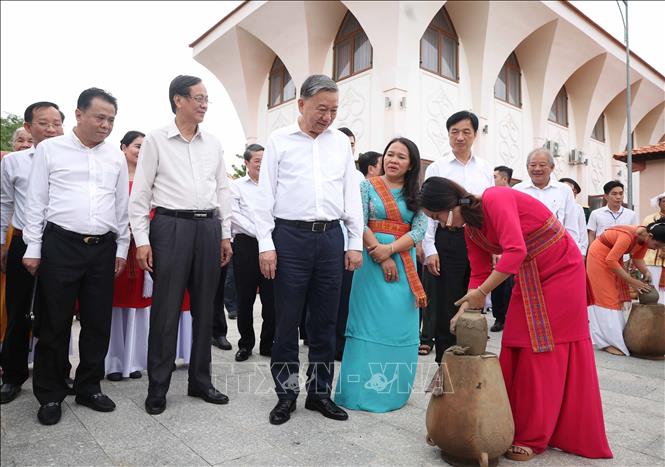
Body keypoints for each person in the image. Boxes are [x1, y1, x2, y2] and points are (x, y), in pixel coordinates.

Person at [420, 177, 613, 462]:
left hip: (561, 270)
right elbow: (478, 272)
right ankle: (506, 421)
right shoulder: (471, 230)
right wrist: (464, 308)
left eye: (438, 216)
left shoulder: (495, 199)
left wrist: (482, 292)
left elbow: (515, 250)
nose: (443, 224)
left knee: (543, 352)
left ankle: (533, 436)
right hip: (530, 277)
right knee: (514, 343)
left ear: (450, 204)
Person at [254, 74, 363, 426]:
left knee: (326, 321)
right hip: (290, 238)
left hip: (331, 239)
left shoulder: (339, 144)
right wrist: (266, 245)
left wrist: (354, 242)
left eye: (333, 110)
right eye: (321, 109)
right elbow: (264, 197)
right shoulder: (279, 141)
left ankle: (320, 394)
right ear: (301, 105)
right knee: (287, 321)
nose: (327, 116)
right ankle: (286, 395)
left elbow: (350, 197)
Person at [22, 88, 130, 425]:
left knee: (98, 322)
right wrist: (34, 246)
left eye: (111, 119)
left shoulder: (114, 156)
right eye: (100, 117)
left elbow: (120, 205)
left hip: (103, 248)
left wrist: (122, 246)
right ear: (79, 114)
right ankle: (50, 393)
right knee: (54, 321)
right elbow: (36, 201)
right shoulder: (51, 150)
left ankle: (89, 387)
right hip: (60, 245)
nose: (106, 125)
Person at [129, 75, 232, 415]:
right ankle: (158, 387)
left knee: (204, 308)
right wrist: (142, 240)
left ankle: (200, 381)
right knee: (166, 310)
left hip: (208, 228)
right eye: (198, 98)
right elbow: (141, 194)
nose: (204, 104)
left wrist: (224, 233)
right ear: (178, 100)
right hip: (170, 227)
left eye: (206, 99)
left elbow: (223, 190)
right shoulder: (156, 140)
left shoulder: (213, 143)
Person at [335, 137, 427, 412]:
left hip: (403, 262)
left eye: (401, 156)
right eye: (390, 154)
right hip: (370, 265)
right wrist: (378, 251)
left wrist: (390, 250)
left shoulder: (417, 195)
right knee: (367, 323)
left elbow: (419, 230)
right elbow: (358, 221)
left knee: (398, 326)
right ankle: (356, 392)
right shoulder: (367, 186)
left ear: (411, 165)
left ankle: (391, 392)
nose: (393, 160)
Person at [0, 101, 67, 404]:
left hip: (60, 244)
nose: (52, 129)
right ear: (28, 127)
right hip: (23, 241)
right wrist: (3, 243)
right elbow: (4, 204)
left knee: (57, 313)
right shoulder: (13, 162)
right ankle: (13, 375)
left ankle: (58, 372)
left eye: (57, 123)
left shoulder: (71, 160)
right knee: (17, 310)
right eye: (44, 123)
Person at [422, 110, 493, 363]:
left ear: (475, 135)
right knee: (447, 304)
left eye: (466, 132)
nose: (460, 137)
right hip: (448, 241)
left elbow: (489, 209)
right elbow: (429, 208)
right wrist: (430, 248)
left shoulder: (485, 169)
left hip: (478, 240)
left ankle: (470, 363)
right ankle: (445, 365)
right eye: (454, 132)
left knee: (474, 298)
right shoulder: (437, 168)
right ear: (448, 134)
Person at [104, 131, 151, 381]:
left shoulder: (151, 179)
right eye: (136, 146)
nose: (141, 151)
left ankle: (134, 361)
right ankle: (113, 362)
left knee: (138, 306)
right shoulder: (114, 174)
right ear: (123, 147)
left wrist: (143, 231)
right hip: (118, 249)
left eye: (145, 147)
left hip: (143, 251)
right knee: (114, 305)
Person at [587, 222, 665, 355]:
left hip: (611, 259)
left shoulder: (644, 239)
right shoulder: (627, 236)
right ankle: (606, 342)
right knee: (606, 298)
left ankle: (615, 339)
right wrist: (633, 282)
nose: (655, 249)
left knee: (615, 298)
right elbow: (611, 260)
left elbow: (638, 259)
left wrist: (646, 272)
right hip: (599, 257)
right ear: (650, 236)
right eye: (656, 245)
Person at [231, 143, 275, 362]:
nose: (261, 165)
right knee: (245, 297)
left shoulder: (276, 185)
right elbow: (234, 216)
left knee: (271, 297)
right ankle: (245, 344)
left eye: (264, 160)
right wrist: (262, 233)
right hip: (246, 245)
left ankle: (268, 343)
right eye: (257, 160)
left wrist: (267, 237)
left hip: (273, 246)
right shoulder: (236, 186)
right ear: (246, 163)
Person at [334, 126, 365, 361]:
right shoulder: (327, 168)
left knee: (345, 297)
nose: (349, 147)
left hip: (349, 244)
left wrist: (356, 244)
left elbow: (358, 213)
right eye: (345, 142)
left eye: (352, 143)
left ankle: (341, 343)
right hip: (329, 240)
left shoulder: (357, 176)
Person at [513, 149, 580, 252]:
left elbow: (571, 225)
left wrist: (571, 250)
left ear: (552, 167)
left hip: (557, 247)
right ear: (527, 167)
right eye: (533, 165)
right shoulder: (517, 190)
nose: (537, 169)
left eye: (542, 165)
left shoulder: (564, 190)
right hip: (526, 248)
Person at [488, 165, 516, 332]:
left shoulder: (515, 196)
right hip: (496, 246)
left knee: (512, 285)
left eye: (495, 177)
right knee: (498, 284)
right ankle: (499, 318)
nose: (493, 180)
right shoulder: (492, 196)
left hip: (513, 246)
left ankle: (512, 317)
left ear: (505, 179)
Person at [587, 180, 637, 246]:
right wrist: (592, 251)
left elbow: (634, 235)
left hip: (623, 253)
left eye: (621, 194)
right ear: (606, 196)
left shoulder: (631, 214)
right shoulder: (595, 214)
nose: (618, 197)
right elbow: (591, 234)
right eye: (614, 194)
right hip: (601, 252)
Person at [642, 192, 665, 304]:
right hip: (650, 261)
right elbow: (643, 237)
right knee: (651, 289)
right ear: (659, 203)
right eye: (664, 201)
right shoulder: (649, 218)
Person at [559, 177, 588, 256]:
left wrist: (583, 253)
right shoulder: (555, 205)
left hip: (574, 249)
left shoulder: (578, 208)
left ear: (574, 191)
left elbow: (583, 232)